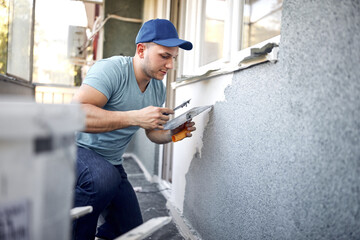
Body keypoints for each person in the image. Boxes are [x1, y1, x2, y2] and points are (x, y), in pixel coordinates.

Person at [71, 19, 195, 240]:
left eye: (173, 58)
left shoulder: (157, 87)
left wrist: (177, 133)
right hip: (73, 151)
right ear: (141, 50)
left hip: (112, 163)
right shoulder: (112, 69)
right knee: (101, 178)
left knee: (130, 232)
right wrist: (135, 117)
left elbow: (152, 132)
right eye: (164, 56)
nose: (170, 65)